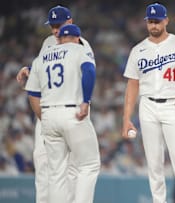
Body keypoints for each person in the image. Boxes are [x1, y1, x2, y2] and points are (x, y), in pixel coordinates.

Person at [121, 3, 175, 203]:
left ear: (166, 20)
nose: (153, 25)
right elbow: (132, 86)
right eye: (150, 21)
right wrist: (126, 118)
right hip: (147, 105)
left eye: (157, 21)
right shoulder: (138, 50)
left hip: (174, 106)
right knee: (154, 163)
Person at [15, 5, 94, 203]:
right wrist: (30, 69)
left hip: (73, 110)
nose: (55, 30)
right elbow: (47, 69)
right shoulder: (48, 42)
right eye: (52, 26)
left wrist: (85, 103)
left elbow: (81, 72)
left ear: (70, 22)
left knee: (73, 167)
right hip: (46, 110)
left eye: (58, 25)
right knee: (43, 164)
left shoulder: (80, 44)